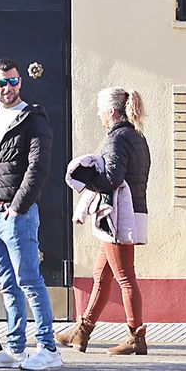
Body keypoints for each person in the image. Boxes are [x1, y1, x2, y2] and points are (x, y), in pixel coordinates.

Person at [0, 58, 62, 371]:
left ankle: (48, 348)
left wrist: (18, 207)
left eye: (13, 81)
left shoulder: (33, 118)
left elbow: (38, 167)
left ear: (20, 81)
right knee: (6, 286)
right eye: (2, 82)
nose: (8, 88)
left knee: (29, 281)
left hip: (17, 215)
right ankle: (15, 348)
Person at [59, 87, 151, 355]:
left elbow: (111, 179)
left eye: (100, 109)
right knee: (102, 276)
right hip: (130, 212)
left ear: (111, 111)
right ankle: (82, 331)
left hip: (117, 215)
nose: (98, 114)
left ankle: (136, 335)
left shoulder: (117, 139)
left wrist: (86, 176)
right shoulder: (136, 136)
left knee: (124, 277)